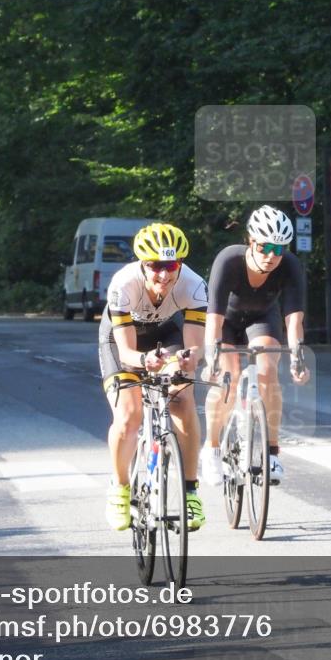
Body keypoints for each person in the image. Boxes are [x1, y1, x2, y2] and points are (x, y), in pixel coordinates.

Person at [99, 223, 208, 531]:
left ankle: (190, 492)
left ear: (180, 264)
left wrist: (188, 358)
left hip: (165, 333)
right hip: (122, 342)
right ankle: (120, 488)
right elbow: (126, 353)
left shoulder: (194, 285)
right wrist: (144, 360)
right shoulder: (123, 284)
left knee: (182, 398)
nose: (163, 274)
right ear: (142, 264)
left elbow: (194, 347)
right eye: (155, 266)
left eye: (170, 266)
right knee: (129, 415)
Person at [201, 205, 310, 487]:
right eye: (265, 247)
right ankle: (211, 448)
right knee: (229, 376)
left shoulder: (290, 265)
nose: (271, 256)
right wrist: (211, 358)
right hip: (226, 321)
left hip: (262, 318)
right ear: (251, 241)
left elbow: (294, 320)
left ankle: (272, 453)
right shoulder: (229, 260)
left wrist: (297, 358)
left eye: (279, 249)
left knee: (268, 372)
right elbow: (213, 319)